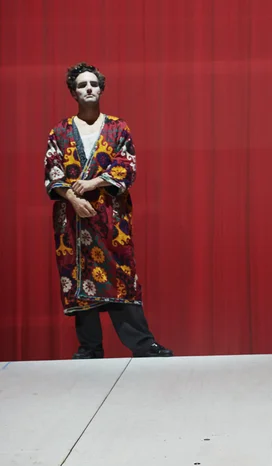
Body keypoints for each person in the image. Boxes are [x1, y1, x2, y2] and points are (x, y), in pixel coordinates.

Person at [43, 62, 173, 359]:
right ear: (73, 93)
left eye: (92, 84)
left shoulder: (117, 128)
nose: (88, 89)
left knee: (121, 276)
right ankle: (89, 348)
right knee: (79, 277)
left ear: (100, 88)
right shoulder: (60, 132)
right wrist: (74, 200)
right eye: (81, 85)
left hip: (110, 217)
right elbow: (53, 172)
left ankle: (142, 345)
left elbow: (126, 166)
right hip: (73, 221)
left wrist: (90, 184)